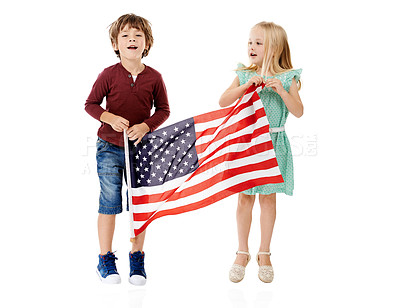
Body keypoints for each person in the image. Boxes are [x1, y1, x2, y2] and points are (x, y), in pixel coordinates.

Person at [85, 13, 170, 285]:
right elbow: (91, 104)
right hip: (109, 148)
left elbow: (164, 110)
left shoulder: (155, 77)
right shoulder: (108, 74)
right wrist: (108, 117)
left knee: (140, 204)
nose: (131, 39)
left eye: (137, 36)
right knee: (109, 201)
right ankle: (105, 258)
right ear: (115, 44)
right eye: (125, 36)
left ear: (147, 43)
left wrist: (146, 126)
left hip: (142, 148)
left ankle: (137, 257)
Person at [219, 21, 303, 283]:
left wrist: (281, 89)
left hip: (274, 143)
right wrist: (245, 86)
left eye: (258, 43)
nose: (251, 47)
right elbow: (223, 101)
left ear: (274, 48)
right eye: (249, 42)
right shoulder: (245, 74)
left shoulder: (289, 77)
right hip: (248, 145)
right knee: (245, 198)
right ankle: (241, 251)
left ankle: (264, 253)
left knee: (268, 199)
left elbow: (298, 111)